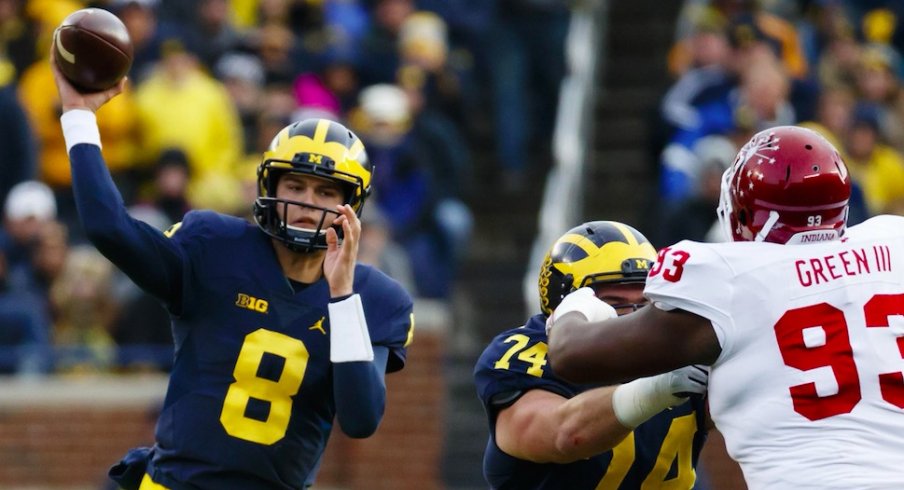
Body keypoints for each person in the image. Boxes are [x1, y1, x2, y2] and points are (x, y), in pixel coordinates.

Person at [51, 50, 415, 489]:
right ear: (269, 188)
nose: (306, 204)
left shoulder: (374, 299)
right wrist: (78, 115)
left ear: (350, 205)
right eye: (295, 185)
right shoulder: (215, 246)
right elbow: (110, 229)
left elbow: (360, 419)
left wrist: (341, 296)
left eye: (324, 192)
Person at [547, 126, 904, 489]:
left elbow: (570, 355)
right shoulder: (892, 244)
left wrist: (575, 307)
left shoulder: (729, 278)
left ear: (745, 214)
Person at [474, 221, 710, 489]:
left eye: (645, 303)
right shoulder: (524, 353)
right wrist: (658, 389)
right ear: (564, 306)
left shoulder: (678, 342)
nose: (634, 317)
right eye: (614, 304)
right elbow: (566, 434)